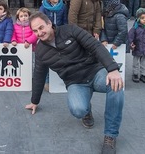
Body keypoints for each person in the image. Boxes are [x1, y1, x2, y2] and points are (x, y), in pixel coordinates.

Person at [25, 12, 124, 154]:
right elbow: (39, 75)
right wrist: (35, 101)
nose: (39, 33)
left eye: (41, 28)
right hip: (75, 82)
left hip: (95, 72)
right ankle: (86, 111)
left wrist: (112, 68)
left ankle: (110, 135)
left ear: (49, 24)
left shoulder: (70, 30)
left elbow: (95, 46)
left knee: (116, 85)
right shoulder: (40, 51)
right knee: (78, 110)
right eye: (35, 31)